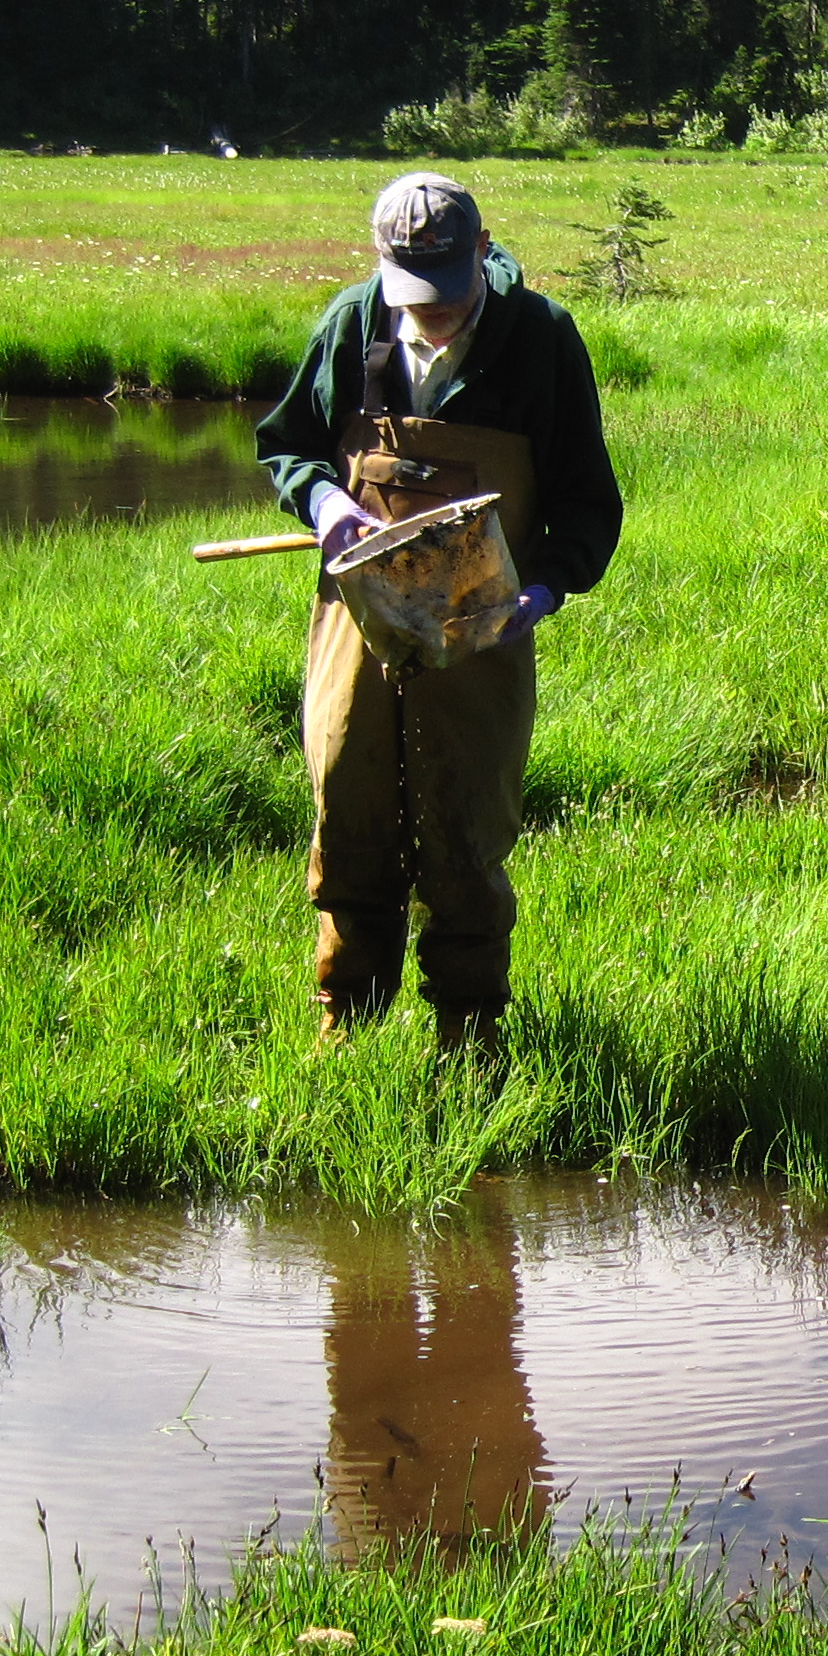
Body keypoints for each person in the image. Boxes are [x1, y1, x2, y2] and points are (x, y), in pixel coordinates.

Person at [259, 172, 623, 1051]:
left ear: (482, 253)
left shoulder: (541, 341)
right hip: (357, 623)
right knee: (348, 811)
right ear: (383, 269)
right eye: (415, 300)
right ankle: (345, 1029)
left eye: (447, 297)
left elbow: (587, 501)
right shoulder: (351, 325)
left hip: (483, 628)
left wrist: (543, 589)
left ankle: (470, 1039)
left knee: (465, 832)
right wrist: (324, 505)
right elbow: (288, 447)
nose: (432, 316)